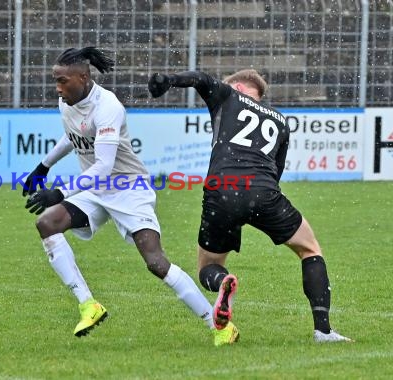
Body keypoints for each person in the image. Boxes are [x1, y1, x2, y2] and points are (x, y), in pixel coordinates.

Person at [22, 47, 235, 345]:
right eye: (55, 80)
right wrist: (42, 167)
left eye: (63, 81)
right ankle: (89, 305)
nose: (58, 88)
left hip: (129, 189)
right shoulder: (66, 101)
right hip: (95, 190)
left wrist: (60, 192)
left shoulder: (108, 107)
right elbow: (74, 135)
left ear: (83, 77)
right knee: (47, 224)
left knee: (156, 263)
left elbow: (104, 165)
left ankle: (220, 327)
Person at [148, 69, 353, 344]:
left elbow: (199, 79)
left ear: (239, 87)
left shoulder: (228, 96)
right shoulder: (280, 121)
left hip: (221, 191)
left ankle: (221, 282)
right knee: (310, 249)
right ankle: (323, 331)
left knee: (207, 267)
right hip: (263, 193)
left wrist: (168, 80)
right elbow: (276, 172)